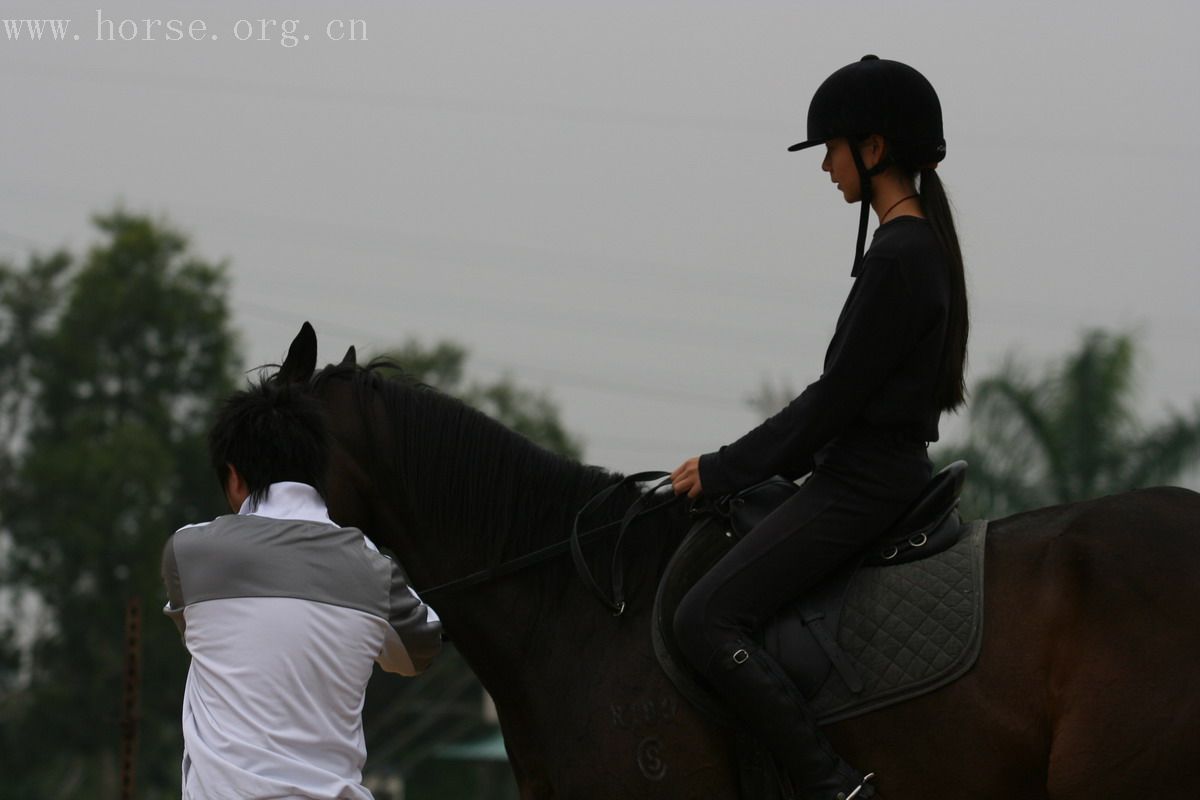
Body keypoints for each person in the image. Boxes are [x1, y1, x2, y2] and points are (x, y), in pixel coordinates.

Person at [670, 55, 969, 800]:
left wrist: (725, 466)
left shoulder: (900, 255)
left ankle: (831, 786)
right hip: (872, 469)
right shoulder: (917, 245)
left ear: (873, 150)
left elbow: (831, 403)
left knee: (705, 615)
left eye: (833, 148)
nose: (826, 166)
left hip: (863, 481)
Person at [160, 376, 442, 799]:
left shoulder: (189, 551)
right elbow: (419, 650)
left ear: (234, 478)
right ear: (318, 471)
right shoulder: (372, 568)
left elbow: (198, 632)